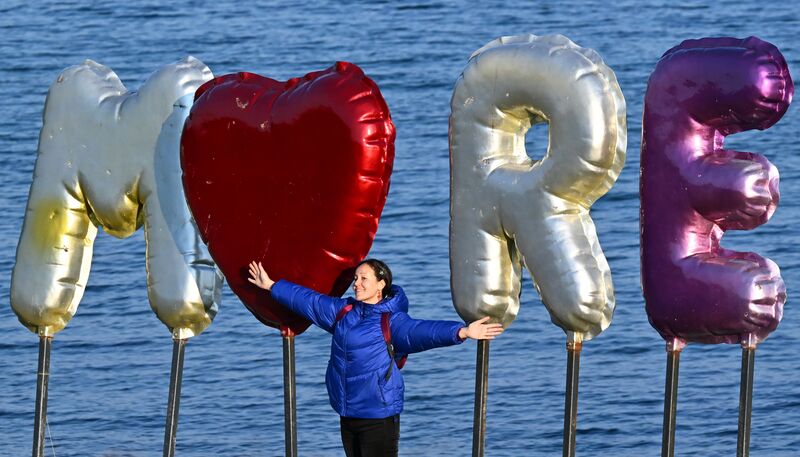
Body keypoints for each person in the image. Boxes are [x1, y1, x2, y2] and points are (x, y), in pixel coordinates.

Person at [248, 258, 503, 457]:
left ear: (381, 284)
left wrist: (462, 331)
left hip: (378, 416)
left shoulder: (390, 320)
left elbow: (422, 332)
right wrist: (272, 286)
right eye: (355, 278)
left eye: (363, 278)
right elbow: (310, 302)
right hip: (347, 411)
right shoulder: (343, 311)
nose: (356, 283)